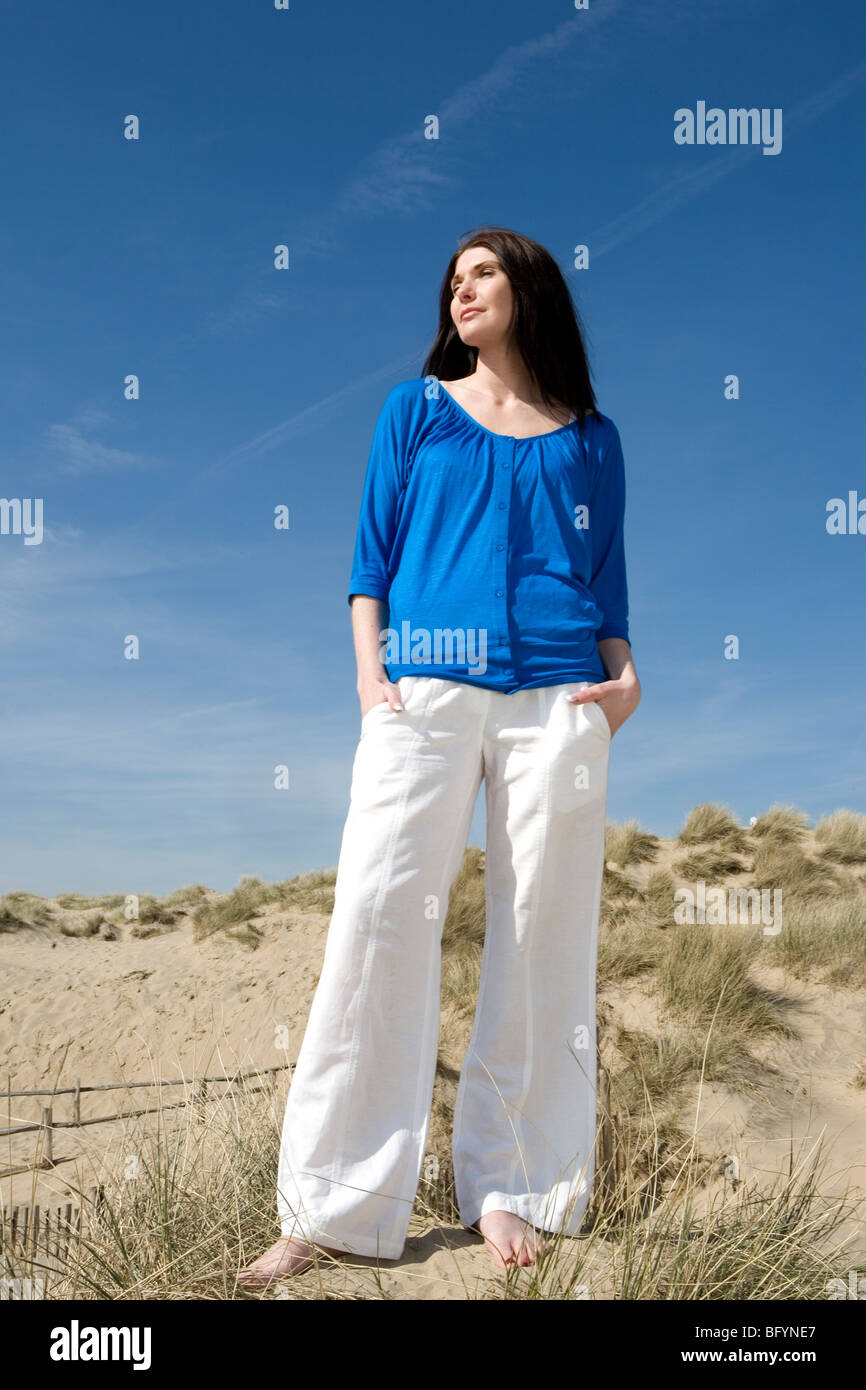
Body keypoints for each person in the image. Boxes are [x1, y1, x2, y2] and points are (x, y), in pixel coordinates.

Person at [238, 226, 641, 1287]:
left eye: (484, 272)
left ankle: (515, 1187)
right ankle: (330, 1204)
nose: (461, 289)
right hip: (421, 685)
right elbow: (370, 556)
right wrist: (371, 678)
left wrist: (623, 675)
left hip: (559, 695)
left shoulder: (591, 435)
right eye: (453, 278)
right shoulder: (414, 409)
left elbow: (605, 575)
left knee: (544, 939)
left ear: (529, 289)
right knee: (376, 915)